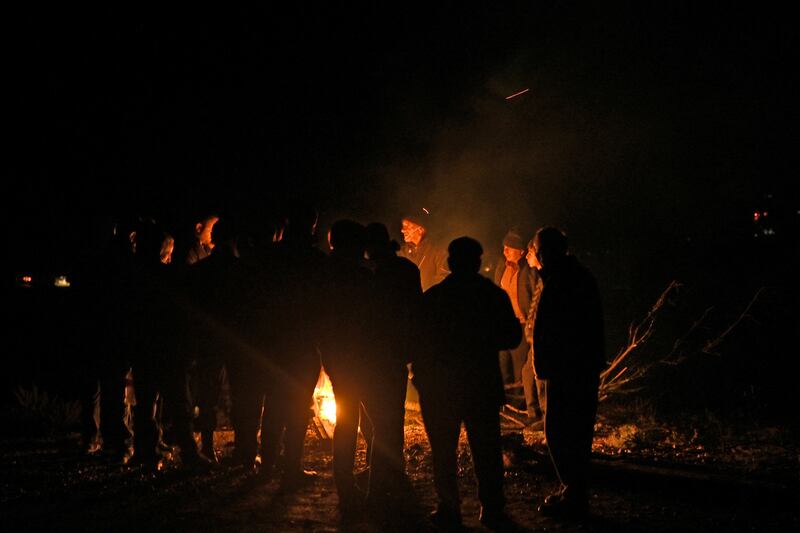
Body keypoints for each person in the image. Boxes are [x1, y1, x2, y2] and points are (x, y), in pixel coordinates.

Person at [413, 237, 522, 530]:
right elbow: (512, 337)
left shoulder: (435, 297)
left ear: (450, 263)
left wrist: (422, 378)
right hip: (480, 385)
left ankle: (449, 509)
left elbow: (417, 343)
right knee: (486, 449)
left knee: (444, 451)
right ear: (477, 262)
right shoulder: (493, 296)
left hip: (441, 388)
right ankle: (492, 508)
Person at [531, 227, 605, 518]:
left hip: (569, 369)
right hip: (577, 367)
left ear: (546, 252)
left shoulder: (564, 280)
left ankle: (574, 496)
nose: (536, 256)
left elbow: (561, 328)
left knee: (563, 431)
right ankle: (573, 491)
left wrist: (548, 365)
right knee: (572, 431)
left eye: (538, 250)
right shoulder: (574, 276)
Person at [258, 205, 326, 487]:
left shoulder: (271, 257)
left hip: (274, 342)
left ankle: (267, 464)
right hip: (303, 344)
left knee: (274, 403)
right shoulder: (315, 260)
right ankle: (290, 467)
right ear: (311, 226)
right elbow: (323, 304)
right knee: (298, 406)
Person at [362, 222, 422, 508]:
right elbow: (417, 313)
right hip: (394, 356)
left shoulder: (367, 275)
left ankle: (381, 478)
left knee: (374, 418)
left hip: (371, 356)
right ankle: (389, 470)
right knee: (390, 417)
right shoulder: (408, 270)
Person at [319, 219, 373, 519]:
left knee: (349, 418)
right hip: (360, 355)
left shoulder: (323, 272)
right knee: (365, 417)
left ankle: (348, 480)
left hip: (337, 354)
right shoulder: (362, 275)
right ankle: (364, 481)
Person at [494, 229, 542, 422]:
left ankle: (522, 407)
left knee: (520, 367)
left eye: (510, 248)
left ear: (521, 252)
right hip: (504, 325)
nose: (505, 251)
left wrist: (531, 323)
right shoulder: (502, 267)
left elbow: (534, 299)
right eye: (504, 247)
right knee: (502, 365)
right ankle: (506, 408)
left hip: (522, 325)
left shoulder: (528, 270)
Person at [399, 210, 448, 292]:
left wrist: (428, 295)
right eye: (403, 226)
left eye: (407, 226)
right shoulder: (402, 252)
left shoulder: (437, 251)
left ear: (420, 229)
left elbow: (444, 276)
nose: (402, 230)